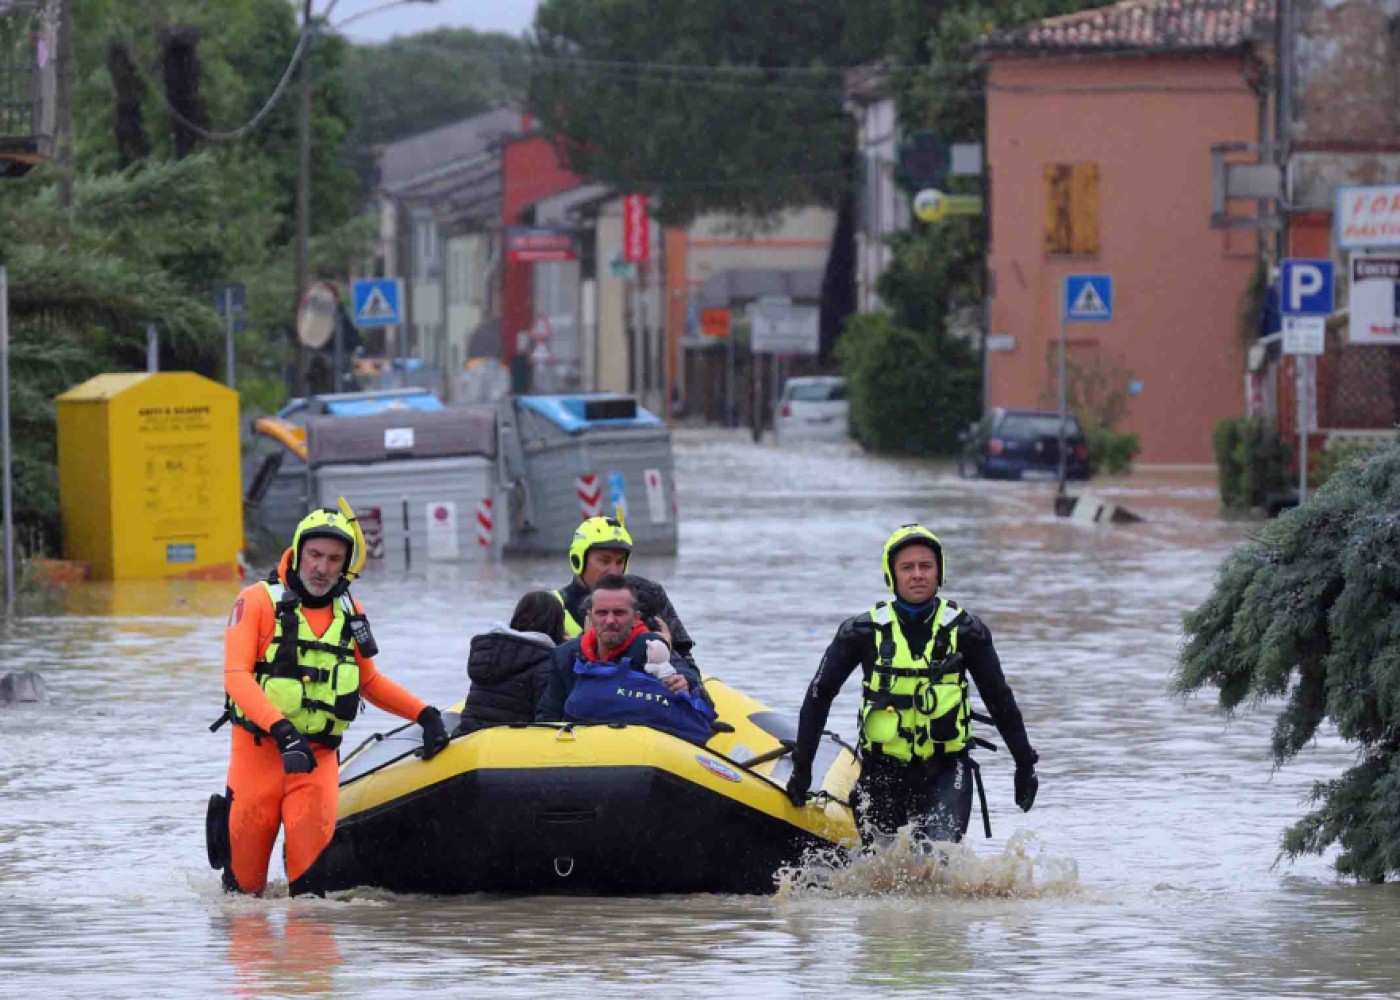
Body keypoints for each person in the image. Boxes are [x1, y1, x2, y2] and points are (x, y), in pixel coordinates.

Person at [209, 506, 450, 897]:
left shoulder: (351, 613)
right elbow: (236, 677)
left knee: (310, 899)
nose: (322, 567)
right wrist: (282, 731)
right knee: (243, 896)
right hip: (259, 756)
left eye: (334, 559)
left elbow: (368, 681)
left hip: (317, 761)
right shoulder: (254, 602)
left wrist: (424, 714)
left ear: (346, 566)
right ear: (299, 552)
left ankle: (310, 957)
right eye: (315, 555)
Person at [785, 524, 1039, 846]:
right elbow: (819, 696)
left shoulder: (967, 632)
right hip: (883, 772)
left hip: (947, 770)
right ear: (892, 575)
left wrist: (1024, 764)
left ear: (939, 572)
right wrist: (803, 768)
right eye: (907, 567)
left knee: (935, 860)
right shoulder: (859, 633)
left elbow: (999, 699)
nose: (917, 574)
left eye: (926, 566)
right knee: (882, 868)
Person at [535, 574, 712, 743]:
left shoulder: (651, 648)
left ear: (636, 618)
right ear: (589, 616)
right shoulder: (565, 656)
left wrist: (685, 683)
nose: (610, 620)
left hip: (640, 751)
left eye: (619, 613)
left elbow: (687, 676)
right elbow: (548, 717)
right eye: (602, 613)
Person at [555, 516, 699, 669]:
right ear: (578, 560)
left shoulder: (649, 594)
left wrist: (670, 661)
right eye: (605, 561)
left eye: (620, 562)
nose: (614, 571)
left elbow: (687, 662)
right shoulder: (552, 606)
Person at [453, 591, 565, 736]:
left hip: (468, 738)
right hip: (511, 747)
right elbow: (548, 719)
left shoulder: (489, 652)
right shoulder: (547, 663)